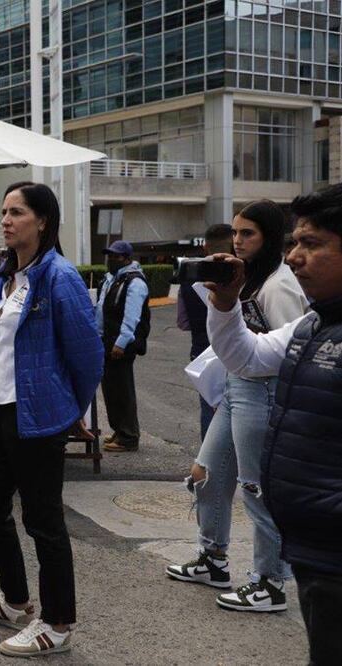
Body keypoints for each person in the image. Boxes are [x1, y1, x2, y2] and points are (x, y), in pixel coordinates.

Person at [202, 183, 342, 664]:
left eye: (312, 243)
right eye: (294, 242)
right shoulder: (312, 324)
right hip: (314, 550)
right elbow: (247, 356)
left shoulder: (289, 296)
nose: (295, 257)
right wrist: (225, 305)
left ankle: (266, 578)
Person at [0, 182, 103, 658]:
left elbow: (87, 354)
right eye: (4, 211)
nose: (6, 220)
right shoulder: (7, 276)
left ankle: (57, 623)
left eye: (17, 212)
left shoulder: (58, 276)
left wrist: (73, 410)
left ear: (43, 221)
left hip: (40, 415)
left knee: (43, 520)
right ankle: (16, 599)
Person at [165, 200, 307, 613]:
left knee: (256, 489)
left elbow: (291, 350)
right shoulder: (247, 277)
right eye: (235, 232)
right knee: (205, 474)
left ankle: (270, 582)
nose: (238, 241)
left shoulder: (279, 285)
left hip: (264, 392)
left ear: (270, 238)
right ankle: (213, 558)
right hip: (236, 387)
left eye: (248, 233)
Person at [176, 224, 234, 439]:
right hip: (237, 355)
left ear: (205, 246)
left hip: (203, 354)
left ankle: (208, 458)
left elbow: (183, 322)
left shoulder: (190, 275)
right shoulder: (241, 273)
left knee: (210, 412)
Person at [95, 240, 151, 453]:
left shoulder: (135, 282)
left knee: (122, 390)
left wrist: (121, 342)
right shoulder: (112, 279)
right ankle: (119, 430)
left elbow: (132, 316)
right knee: (112, 390)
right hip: (107, 341)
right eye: (109, 255)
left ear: (127, 259)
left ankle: (128, 437)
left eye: (116, 256)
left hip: (120, 344)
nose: (111, 260)